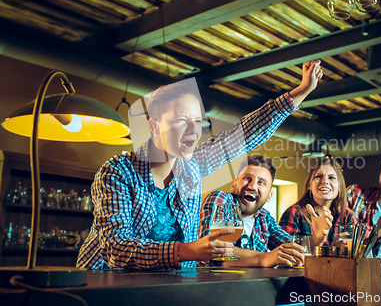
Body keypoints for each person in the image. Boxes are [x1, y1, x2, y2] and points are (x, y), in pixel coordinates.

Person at [76, 61, 323, 270]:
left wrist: (300, 92)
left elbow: (242, 135)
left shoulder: (190, 168)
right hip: (100, 284)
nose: (194, 131)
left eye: (198, 122)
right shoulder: (118, 172)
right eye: (183, 121)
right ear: (154, 126)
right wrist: (185, 251)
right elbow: (115, 248)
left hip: (165, 285)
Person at [199, 156, 331, 267]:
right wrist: (264, 258)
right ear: (233, 184)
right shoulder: (222, 200)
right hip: (209, 288)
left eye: (261, 182)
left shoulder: (264, 218)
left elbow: (291, 248)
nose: (252, 186)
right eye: (247, 178)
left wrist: (318, 237)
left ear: (269, 196)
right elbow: (209, 249)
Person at [279, 157, 353, 248]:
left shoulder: (346, 216)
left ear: (340, 187)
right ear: (309, 185)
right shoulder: (294, 213)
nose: (325, 181)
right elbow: (286, 253)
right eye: (318, 176)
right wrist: (331, 250)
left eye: (331, 177)